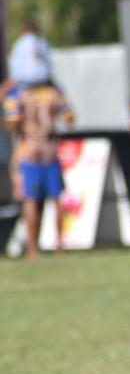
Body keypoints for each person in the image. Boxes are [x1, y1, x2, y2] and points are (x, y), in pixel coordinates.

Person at [3, 19, 72, 259]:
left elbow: (12, 123)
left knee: (30, 200)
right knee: (56, 198)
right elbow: (70, 117)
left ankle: (33, 249)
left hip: (28, 149)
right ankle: (60, 247)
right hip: (50, 149)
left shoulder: (18, 93)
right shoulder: (54, 91)